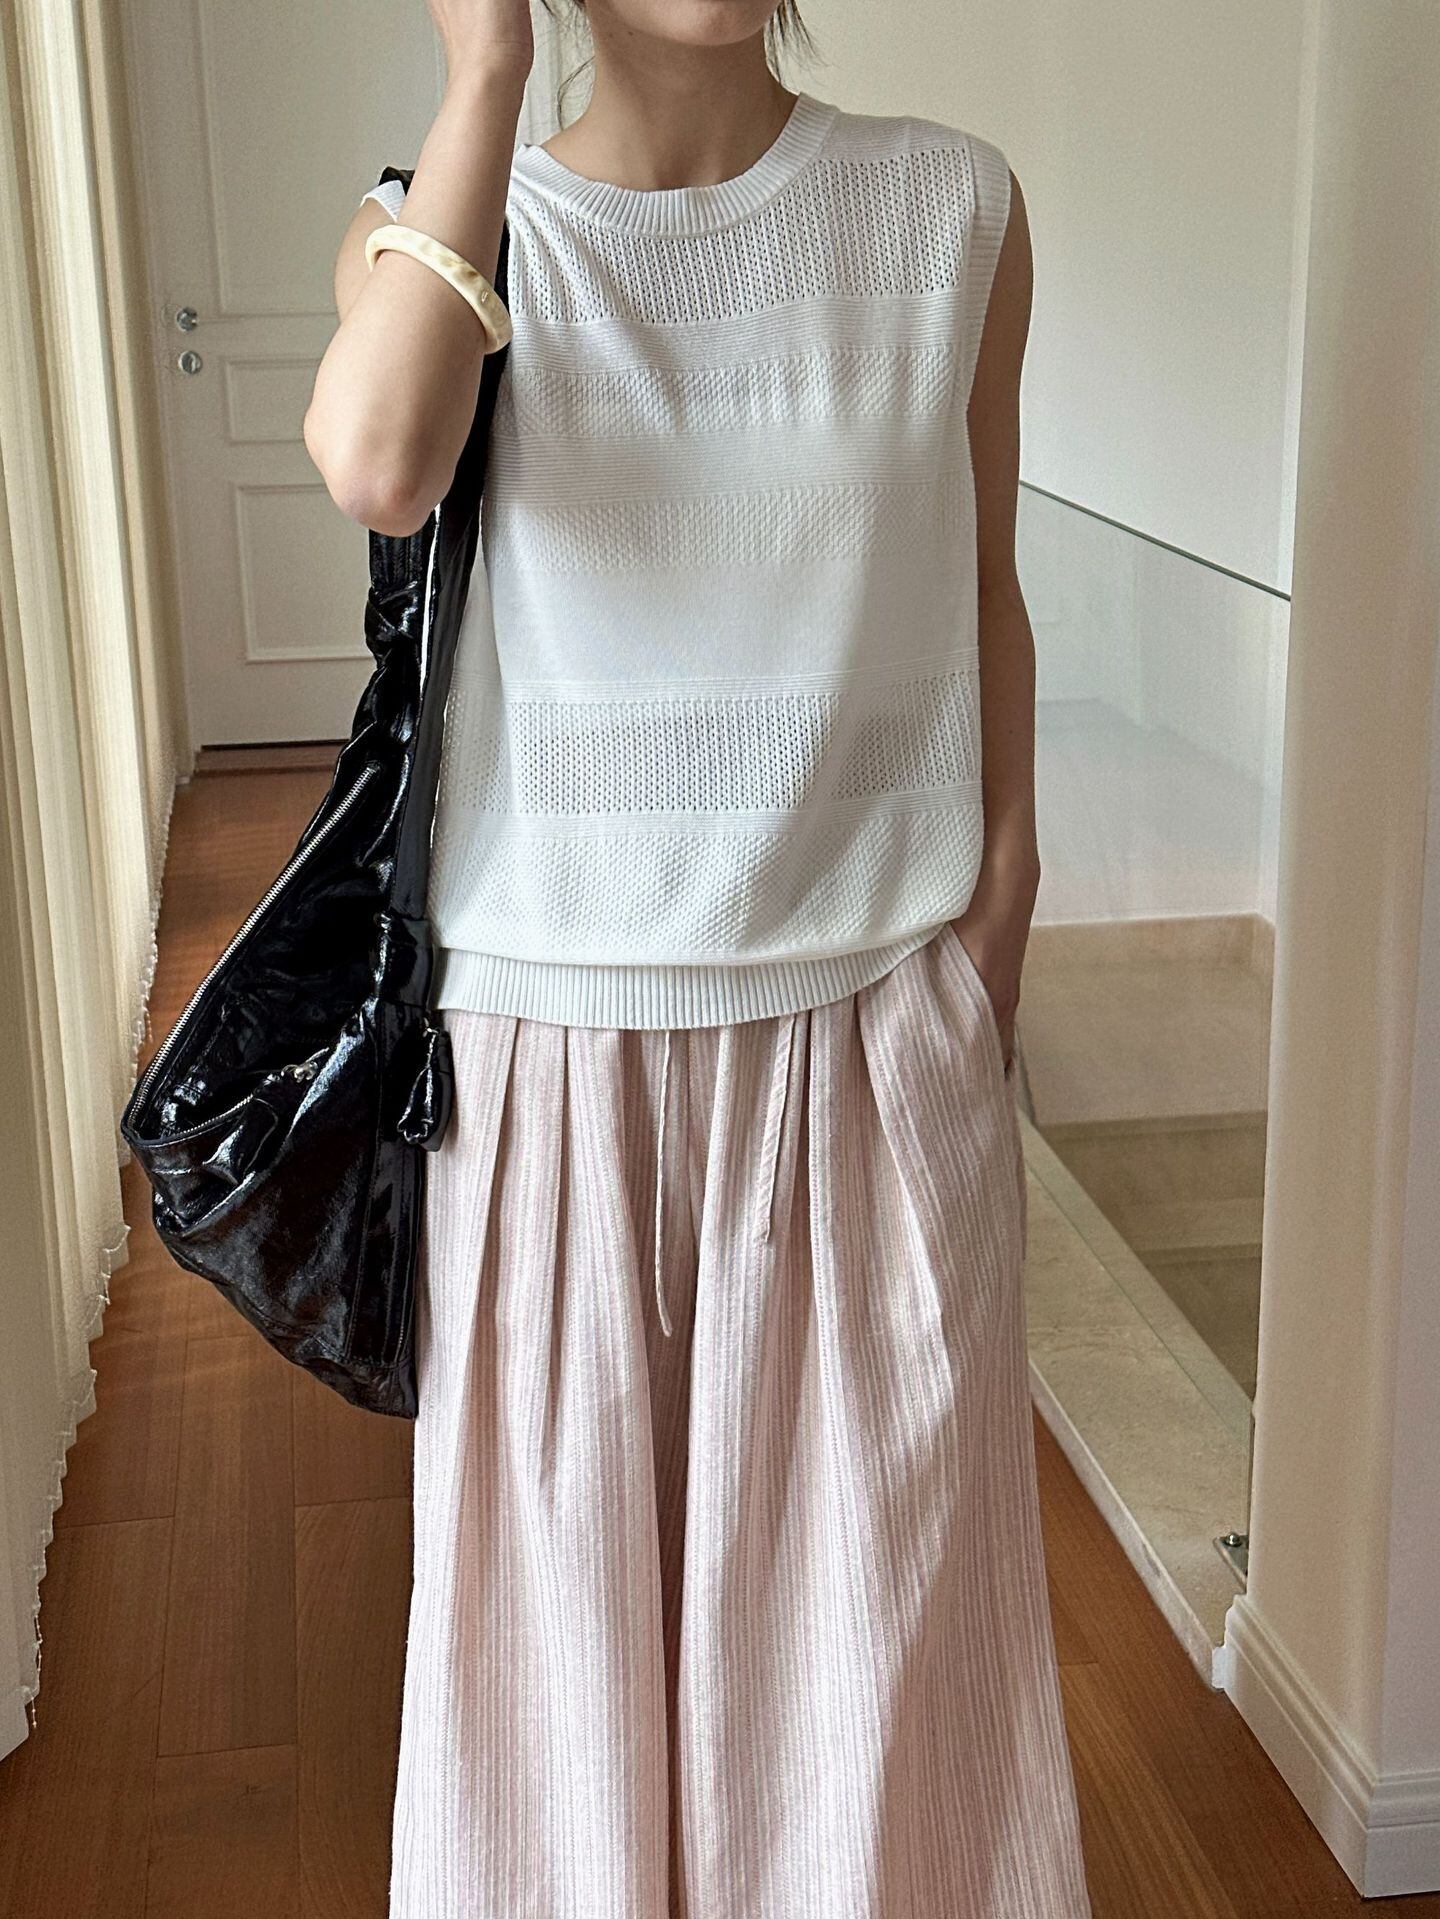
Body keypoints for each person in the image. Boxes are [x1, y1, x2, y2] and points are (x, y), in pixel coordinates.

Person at [305, 1, 1092, 1913]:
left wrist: (999, 906)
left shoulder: (951, 211)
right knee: (553, 1695)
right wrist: (483, 78)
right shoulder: (442, 223)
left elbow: (984, 580)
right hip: (548, 1061)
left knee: (878, 1680)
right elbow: (380, 463)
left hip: (866, 1038)